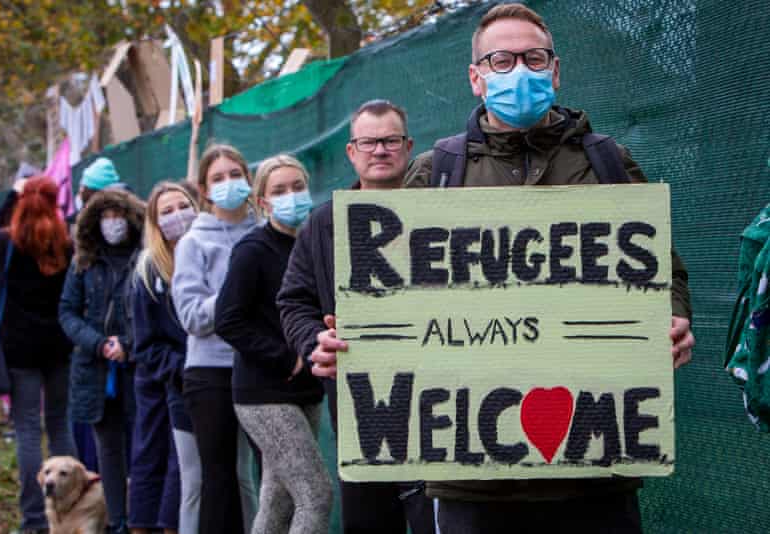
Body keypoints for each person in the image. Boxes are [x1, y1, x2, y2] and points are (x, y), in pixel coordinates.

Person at [336, 6, 693, 533]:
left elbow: (664, 272)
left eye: (533, 57)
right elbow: (389, 301)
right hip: (471, 476)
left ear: (556, 70)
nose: (519, 70)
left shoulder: (608, 163)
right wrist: (353, 341)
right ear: (476, 77)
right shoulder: (437, 174)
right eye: (502, 60)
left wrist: (673, 317)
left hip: (596, 460)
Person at [277, 100, 435, 534]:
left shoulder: (445, 214)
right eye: (369, 142)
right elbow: (293, 301)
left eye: (389, 141)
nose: (379, 150)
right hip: (360, 405)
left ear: (408, 146)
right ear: (352, 152)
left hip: (439, 404)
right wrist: (314, 341)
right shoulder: (322, 224)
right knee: (370, 519)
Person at [215, 155, 330, 534]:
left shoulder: (316, 244)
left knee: (277, 500)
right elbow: (228, 319)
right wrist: (287, 358)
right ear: (262, 202)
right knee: (315, 495)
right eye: (279, 190)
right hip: (264, 392)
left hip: (308, 389)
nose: (291, 196)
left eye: (297, 187)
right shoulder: (252, 250)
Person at [172, 144, 259, 534]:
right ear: (204, 190)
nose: (229, 184)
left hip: (264, 366)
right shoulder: (194, 242)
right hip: (211, 373)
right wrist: (233, 295)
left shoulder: (266, 232)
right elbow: (191, 315)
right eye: (218, 179)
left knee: (275, 475)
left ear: (249, 179)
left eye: (235, 175)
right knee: (219, 479)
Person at [0, 176, 77, 534]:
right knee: (59, 424)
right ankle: (70, 509)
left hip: (19, 347)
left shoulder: (7, 242)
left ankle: (34, 519)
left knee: (25, 426)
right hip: (59, 344)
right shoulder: (64, 241)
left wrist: (12, 195)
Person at [59, 187, 145, 534]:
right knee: (108, 449)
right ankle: (118, 522)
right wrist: (98, 344)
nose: (113, 224)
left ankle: (141, 517)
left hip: (138, 367)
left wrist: (129, 344)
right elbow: (67, 312)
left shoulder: (145, 257)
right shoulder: (83, 263)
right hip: (95, 372)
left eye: (119, 216)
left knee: (142, 446)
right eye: (106, 217)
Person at [129, 181, 200, 534]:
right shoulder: (148, 272)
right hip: (169, 381)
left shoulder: (210, 252)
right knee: (162, 462)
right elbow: (145, 344)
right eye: (166, 212)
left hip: (212, 380)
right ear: (155, 223)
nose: (178, 216)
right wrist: (182, 369)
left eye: (183, 206)